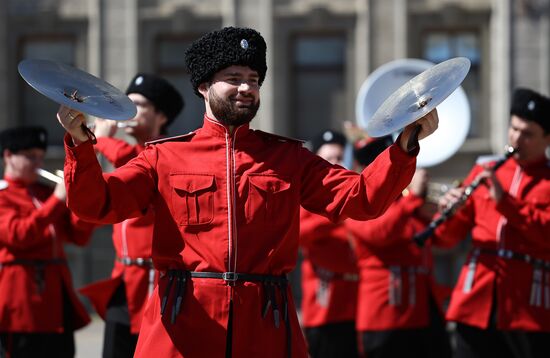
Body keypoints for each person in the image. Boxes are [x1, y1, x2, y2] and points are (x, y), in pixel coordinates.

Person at [55, 26, 438, 357]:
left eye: (254, 80)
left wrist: (404, 145)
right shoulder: (164, 157)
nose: (245, 88)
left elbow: (361, 198)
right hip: (184, 325)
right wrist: (80, 146)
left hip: (267, 327)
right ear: (204, 86)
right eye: (234, 77)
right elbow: (96, 204)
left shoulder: (288, 157)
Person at [433, 87, 550, 358]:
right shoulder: (485, 169)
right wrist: (446, 213)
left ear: (547, 138)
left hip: (528, 307)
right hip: (475, 299)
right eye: (514, 129)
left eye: (528, 134)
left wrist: (505, 202)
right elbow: (446, 240)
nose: (517, 138)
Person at [78, 73, 184, 358]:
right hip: (124, 278)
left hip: (157, 281)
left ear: (161, 116)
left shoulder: (166, 152)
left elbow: (134, 162)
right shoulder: (132, 153)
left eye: (139, 105)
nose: (130, 111)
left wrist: (98, 139)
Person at [345, 135, 452, 358]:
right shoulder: (356, 203)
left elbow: (443, 240)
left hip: (423, 315)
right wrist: (412, 198)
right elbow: (379, 233)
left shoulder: (408, 205)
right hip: (385, 319)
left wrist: (452, 211)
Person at [0, 126, 94, 358]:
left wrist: (83, 203)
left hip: (55, 298)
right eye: (30, 157)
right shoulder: (4, 195)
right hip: (20, 300)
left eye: (40, 157)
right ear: (8, 155)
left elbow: (78, 237)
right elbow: (18, 235)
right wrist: (57, 200)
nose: (37, 163)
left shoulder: (44, 193)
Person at [299, 129, 359, 358]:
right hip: (325, 308)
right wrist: (341, 216)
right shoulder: (307, 197)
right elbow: (299, 233)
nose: (335, 164)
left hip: (360, 305)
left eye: (339, 158)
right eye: (328, 158)